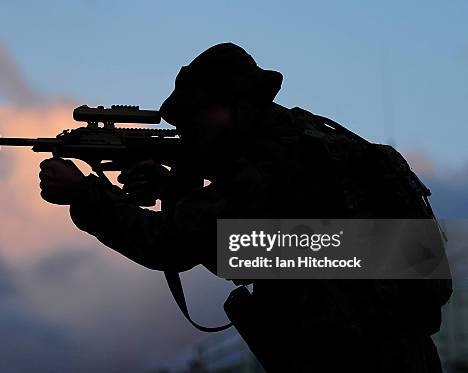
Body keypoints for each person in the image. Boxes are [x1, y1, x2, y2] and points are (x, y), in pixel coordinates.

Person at [38, 43, 452, 372]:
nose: (189, 131)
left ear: (234, 106)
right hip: (387, 350)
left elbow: (169, 244)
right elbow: (258, 247)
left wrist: (84, 195)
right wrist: (171, 187)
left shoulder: (276, 158)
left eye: (195, 117)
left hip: (356, 355)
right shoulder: (306, 140)